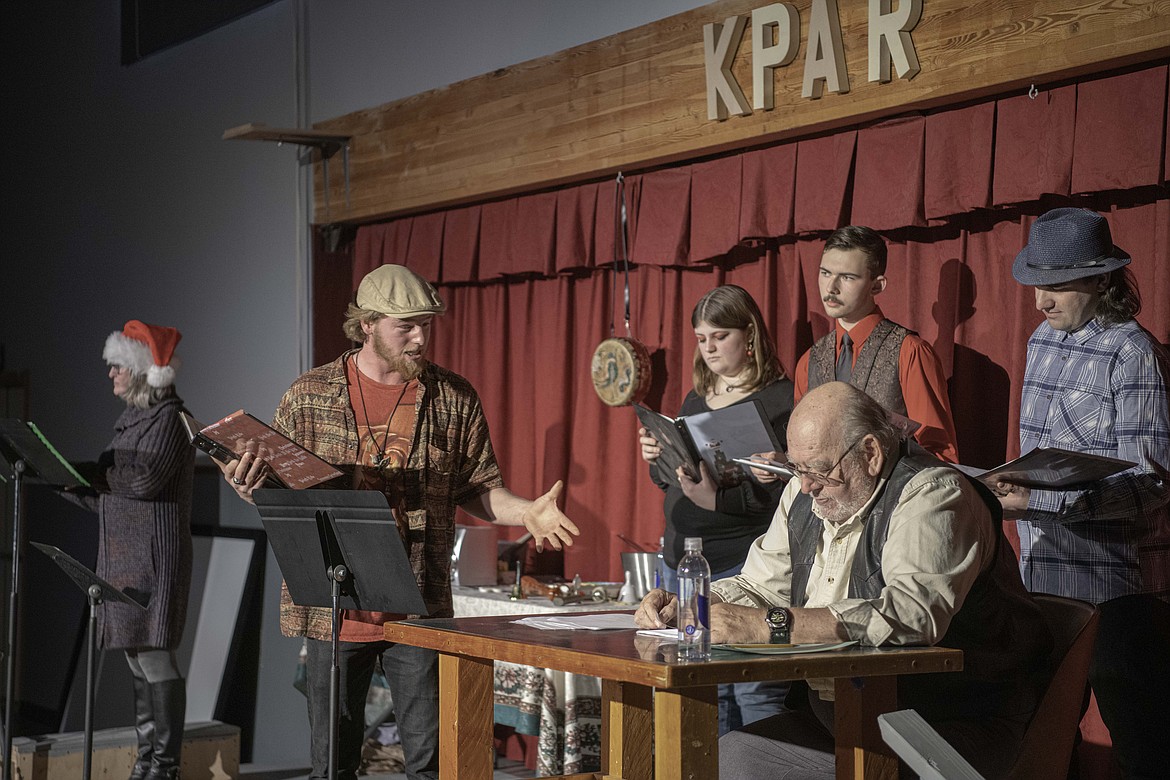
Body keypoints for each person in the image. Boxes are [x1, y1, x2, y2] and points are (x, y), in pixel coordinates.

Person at [221, 264, 580, 780]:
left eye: (426, 325)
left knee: (431, 763)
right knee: (331, 764)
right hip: (335, 602)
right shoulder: (309, 395)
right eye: (405, 326)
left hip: (418, 603)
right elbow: (279, 490)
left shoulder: (452, 398)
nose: (419, 338)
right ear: (366, 324)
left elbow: (476, 488)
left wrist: (525, 511)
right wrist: (247, 484)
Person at [636, 382, 1052, 779]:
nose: (806, 486)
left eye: (818, 470)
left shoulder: (934, 494)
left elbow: (911, 616)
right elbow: (760, 584)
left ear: (870, 452)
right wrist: (690, 603)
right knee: (724, 757)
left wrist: (769, 625)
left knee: (747, 769)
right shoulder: (805, 492)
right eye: (796, 468)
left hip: (944, 722)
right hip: (842, 718)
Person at [997, 207, 1170, 779]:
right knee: (1043, 747)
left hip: (1114, 591)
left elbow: (1151, 485)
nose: (1042, 300)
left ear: (1101, 280)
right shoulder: (1042, 342)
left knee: (1145, 749)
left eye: (1058, 285)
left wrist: (1038, 501)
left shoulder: (1132, 353)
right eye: (1037, 283)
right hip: (1042, 580)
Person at [636, 284, 793, 733]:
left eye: (719, 336)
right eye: (701, 338)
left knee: (752, 686)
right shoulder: (694, 399)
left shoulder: (780, 398)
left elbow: (790, 496)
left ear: (750, 336)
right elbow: (673, 481)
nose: (709, 348)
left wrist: (717, 499)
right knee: (699, 690)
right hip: (682, 561)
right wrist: (657, 457)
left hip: (740, 562)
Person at [59, 320, 195, 780]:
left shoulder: (170, 420)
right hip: (123, 556)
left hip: (155, 560)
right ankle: (146, 761)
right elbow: (115, 485)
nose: (111, 375)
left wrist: (96, 477)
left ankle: (165, 767)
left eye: (117, 366)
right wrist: (68, 480)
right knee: (137, 657)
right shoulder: (134, 419)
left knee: (155, 655)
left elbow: (143, 481)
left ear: (141, 371)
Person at [793, 225, 959, 462]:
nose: (831, 288)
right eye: (825, 273)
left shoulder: (910, 352)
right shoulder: (809, 361)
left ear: (877, 285)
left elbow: (939, 453)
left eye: (847, 277)